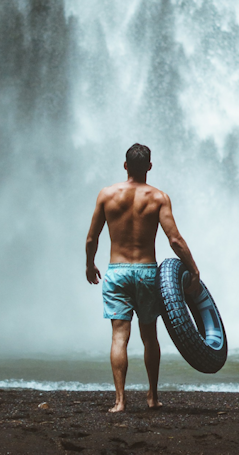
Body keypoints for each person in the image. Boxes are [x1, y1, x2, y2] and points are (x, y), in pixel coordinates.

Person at [84, 143, 201, 413]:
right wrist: (193, 269)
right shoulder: (159, 197)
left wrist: (90, 265)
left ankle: (120, 401)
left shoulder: (106, 194)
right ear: (149, 166)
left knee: (118, 337)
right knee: (150, 337)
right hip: (148, 272)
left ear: (125, 166)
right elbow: (175, 239)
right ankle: (152, 397)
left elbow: (92, 237)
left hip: (117, 271)